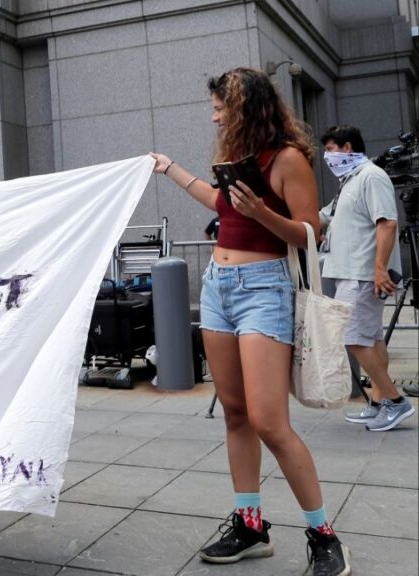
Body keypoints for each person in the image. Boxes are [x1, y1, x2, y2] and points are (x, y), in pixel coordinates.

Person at [151, 67, 351, 575]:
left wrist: (263, 212)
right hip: (219, 287)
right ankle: (250, 524)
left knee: (269, 421)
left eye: (221, 107)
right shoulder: (232, 155)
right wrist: (169, 167)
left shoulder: (287, 159)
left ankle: (325, 536)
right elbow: (221, 204)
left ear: (245, 107)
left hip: (265, 290)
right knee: (236, 414)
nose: (214, 115)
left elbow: (309, 232)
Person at [319, 125, 413, 431]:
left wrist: (379, 268)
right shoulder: (351, 180)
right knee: (371, 338)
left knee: (351, 336)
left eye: (331, 149)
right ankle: (378, 401)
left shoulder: (371, 176)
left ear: (347, 148)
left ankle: (395, 401)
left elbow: (386, 223)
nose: (327, 156)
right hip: (353, 271)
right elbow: (322, 217)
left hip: (361, 273)